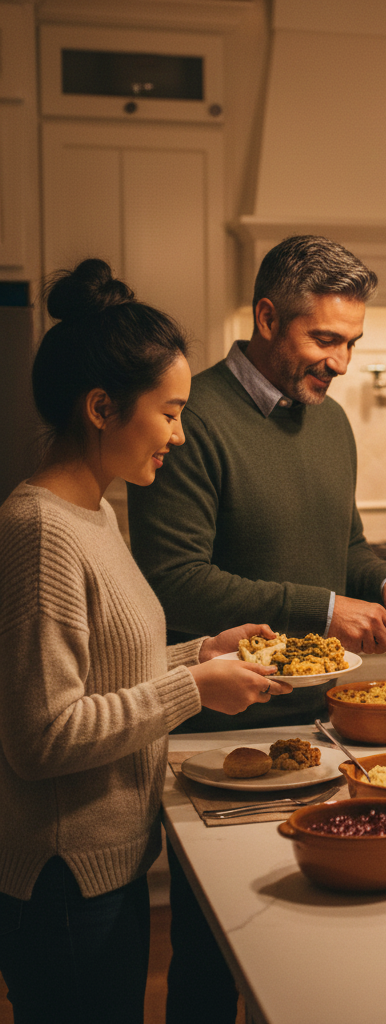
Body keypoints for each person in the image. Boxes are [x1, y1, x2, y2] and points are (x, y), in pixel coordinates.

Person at [0, 259, 290, 1024]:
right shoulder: (39, 531)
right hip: (62, 881)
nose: (180, 434)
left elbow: (101, 671)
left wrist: (201, 653)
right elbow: (42, 735)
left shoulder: (94, 513)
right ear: (102, 406)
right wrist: (194, 690)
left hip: (110, 864)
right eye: (169, 412)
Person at [127, 234, 386, 733]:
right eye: (325, 340)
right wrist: (326, 611)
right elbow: (173, 582)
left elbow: (346, 545)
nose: (341, 363)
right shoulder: (190, 419)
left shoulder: (331, 420)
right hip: (213, 725)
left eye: (351, 343)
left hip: (319, 714)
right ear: (267, 319)